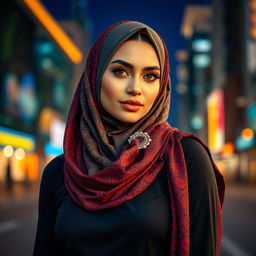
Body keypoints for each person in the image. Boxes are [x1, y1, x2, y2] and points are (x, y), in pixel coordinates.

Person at [33, 21, 225, 256]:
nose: (136, 88)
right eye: (120, 72)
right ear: (94, 76)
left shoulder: (186, 157)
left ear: (162, 85)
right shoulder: (58, 172)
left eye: (151, 76)